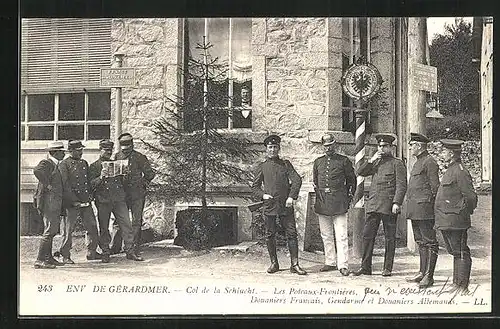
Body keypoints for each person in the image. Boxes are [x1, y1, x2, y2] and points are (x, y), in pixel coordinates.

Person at [352, 133, 407, 277]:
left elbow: (401, 185)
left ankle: (387, 268)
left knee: (390, 238)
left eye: (384, 146)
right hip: (374, 204)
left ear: (391, 147)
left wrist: (397, 202)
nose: (381, 149)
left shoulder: (397, 163)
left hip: (389, 206)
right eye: (379, 146)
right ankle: (365, 267)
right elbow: (360, 172)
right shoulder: (376, 161)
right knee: (367, 236)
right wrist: (371, 160)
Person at [251, 134, 306, 275]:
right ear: (266, 149)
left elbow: (297, 180)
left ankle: (295, 265)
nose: (273, 150)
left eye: (275, 147)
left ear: (279, 148)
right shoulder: (262, 167)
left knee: (292, 234)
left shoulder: (286, 164)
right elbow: (255, 187)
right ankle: (274, 263)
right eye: (270, 147)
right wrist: (263, 195)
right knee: (270, 234)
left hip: (285, 205)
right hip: (269, 205)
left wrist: (291, 197)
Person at [89, 139, 144, 263]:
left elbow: (123, 183)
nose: (108, 153)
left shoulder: (117, 164)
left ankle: (130, 251)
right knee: (104, 227)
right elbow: (90, 185)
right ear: (100, 150)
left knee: (127, 225)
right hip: (103, 201)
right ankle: (105, 252)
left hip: (119, 199)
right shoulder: (94, 166)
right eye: (106, 150)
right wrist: (100, 177)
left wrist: (125, 175)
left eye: (110, 150)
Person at [435, 139, 478, 293]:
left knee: (461, 251)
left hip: (456, 220)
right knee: (455, 251)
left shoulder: (460, 171)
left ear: (451, 154)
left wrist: (463, 212)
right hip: (448, 219)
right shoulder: (451, 169)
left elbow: (471, 197)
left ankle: (463, 286)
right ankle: (456, 283)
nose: (442, 154)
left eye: (444, 151)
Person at [313, 133, 356, 276]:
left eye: (330, 145)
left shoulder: (343, 161)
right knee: (325, 234)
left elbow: (352, 181)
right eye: (325, 146)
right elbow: (315, 183)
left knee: (341, 235)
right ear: (322, 147)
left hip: (339, 201)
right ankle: (330, 261)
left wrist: (349, 197)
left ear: (335, 145)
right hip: (323, 202)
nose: (328, 148)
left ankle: (343, 264)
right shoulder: (318, 162)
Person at [110, 133, 155, 255]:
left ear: (132, 144)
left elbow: (150, 174)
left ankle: (133, 247)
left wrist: (143, 184)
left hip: (137, 194)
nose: (126, 150)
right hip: (121, 195)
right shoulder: (116, 157)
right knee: (118, 220)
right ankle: (115, 246)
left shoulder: (140, 157)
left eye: (128, 147)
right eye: (123, 148)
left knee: (136, 221)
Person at [55, 140, 100, 264]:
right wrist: (73, 201)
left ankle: (92, 252)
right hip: (72, 203)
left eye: (81, 150)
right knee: (68, 230)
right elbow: (65, 185)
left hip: (85, 202)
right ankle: (65, 255)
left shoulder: (84, 163)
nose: (81, 152)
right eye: (78, 150)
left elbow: (88, 182)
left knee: (92, 226)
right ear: (71, 151)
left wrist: (90, 196)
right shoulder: (64, 164)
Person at [405, 132, 440, 288]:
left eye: (412, 145)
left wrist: (432, 208)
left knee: (430, 242)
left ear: (419, 146)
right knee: (420, 242)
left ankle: (429, 276)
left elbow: (435, 188)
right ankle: (422, 272)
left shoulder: (429, 162)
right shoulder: (419, 161)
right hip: (415, 209)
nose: (410, 147)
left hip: (425, 209)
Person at [33, 141, 66, 269]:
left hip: (54, 204)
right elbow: (37, 171)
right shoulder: (47, 163)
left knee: (51, 231)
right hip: (49, 203)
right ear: (56, 152)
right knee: (49, 231)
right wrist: (47, 184)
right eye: (62, 151)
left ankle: (48, 258)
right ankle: (40, 260)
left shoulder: (55, 164)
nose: (64, 154)